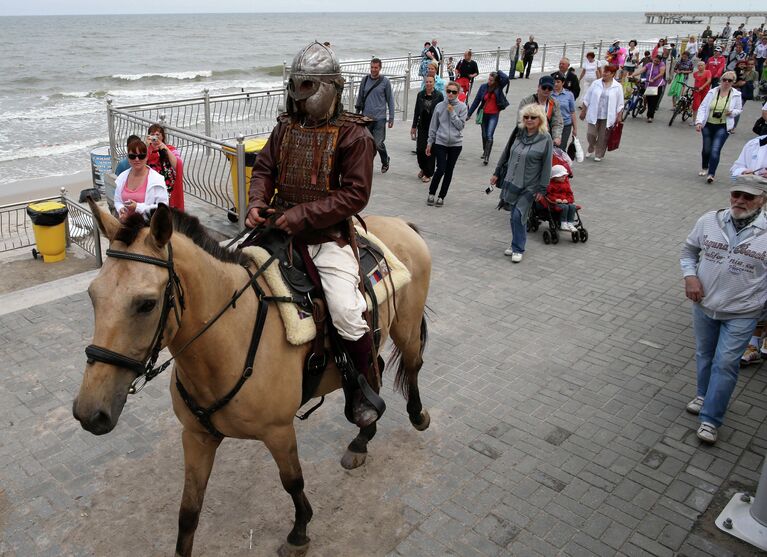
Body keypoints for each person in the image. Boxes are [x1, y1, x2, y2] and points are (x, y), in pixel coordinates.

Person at [246, 42, 381, 428]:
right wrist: (256, 202)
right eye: (296, 85)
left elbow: (355, 194)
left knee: (347, 313)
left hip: (325, 238)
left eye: (308, 86)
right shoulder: (285, 127)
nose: (299, 96)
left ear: (329, 87)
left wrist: (302, 215)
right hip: (279, 227)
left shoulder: (355, 137)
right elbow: (264, 169)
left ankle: (364, 389)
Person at [680, 174, 767, 444]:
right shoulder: (710, 220)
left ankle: (710, 419)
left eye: (748, 196)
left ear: (762, 200)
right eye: (736, 194)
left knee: (726, 363)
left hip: (743, 311)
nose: (740, 200)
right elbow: (688, 251)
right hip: (704, 304)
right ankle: (703, 394)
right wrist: (690, 276)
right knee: (705, 354)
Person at [491, 103, 552, 263]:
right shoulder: (518, 133)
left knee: (519, 215)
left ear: (540, 119)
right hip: (512, 181)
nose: (529, 120)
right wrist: (497, 172)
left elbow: (547, 165)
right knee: (513, 215)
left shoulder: (545, 138)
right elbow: (506, 152)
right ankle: (514, 243)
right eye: (526, 117)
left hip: (530, 186)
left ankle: (518, 248)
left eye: (533, 117)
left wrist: (542, 188)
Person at [695, 71, 743, 183]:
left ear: (733, 82)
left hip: (723, 126)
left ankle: (711, 174)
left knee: (715, 149)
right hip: (708, 124)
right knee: (706, 149)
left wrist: (731, 112)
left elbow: (739, 110)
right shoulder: (712, 92)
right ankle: (704, 166)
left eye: (729, 80)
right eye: (724, 79)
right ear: (720, 80)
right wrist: (699, 122)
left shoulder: (736, 95)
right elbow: (703, 107)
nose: (726, 82)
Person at [425, 82, 467, 207]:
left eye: (454, 92)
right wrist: (429, 142)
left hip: (456, 144)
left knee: (449, 171)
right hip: (441, 142)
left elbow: (461, 126)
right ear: (445, 91)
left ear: (458, 93)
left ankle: (441, 196)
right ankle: (431, 193)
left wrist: (452, 112)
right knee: (441, 169)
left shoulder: (462, 107)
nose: (451, 94)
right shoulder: (439, 106)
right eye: (449, 91)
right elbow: (433, 126)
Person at [114, 138, 168, 223]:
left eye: (141, 156)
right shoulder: (122, 177)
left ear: (147, 157)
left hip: (148, 226)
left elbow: (163, 207)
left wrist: (137, 207)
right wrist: (121, 209)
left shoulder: (157, 179)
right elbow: (117, 201)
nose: (137, 159)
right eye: (132, 156)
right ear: (128, 158)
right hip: (127, 226)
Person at [355, 57, 394, 173]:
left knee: (378, 144)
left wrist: (391, 117)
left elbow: (390, 100)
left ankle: (385, 160)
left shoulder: (385, 82)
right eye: (372, 67)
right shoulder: (365, 80)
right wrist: (357, 114)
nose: (373, 70)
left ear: (380, 68)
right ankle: (367, 166)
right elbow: (360, 97)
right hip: (366, 117)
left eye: (376, 67)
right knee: (367, 144)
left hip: (380, 118)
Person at [579, 64, 623, 162]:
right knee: (591, 134)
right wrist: (583, 111)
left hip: (608, 116)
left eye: (607, 72)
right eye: (604, 71)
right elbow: (587, 98)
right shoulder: (595, 83)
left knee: (603, 137)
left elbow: (620, 103)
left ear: (612, 74)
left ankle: (599, 154)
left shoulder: (617, 86)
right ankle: (591, 146)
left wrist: (619, 116)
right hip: (594, 113)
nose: (604, 74)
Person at [467, 72, 510, 165]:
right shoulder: (483, 87)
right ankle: (485, 150)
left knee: (489, 135)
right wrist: (469, 114)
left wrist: (498, 72)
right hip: (483, 114)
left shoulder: (499, 86)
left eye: (491, 80)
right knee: (484, 135)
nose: (489, 82)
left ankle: (486, 156)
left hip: (494, 115)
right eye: (488, 79)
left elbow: (506, 78)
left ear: (496, 81)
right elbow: (476, 101)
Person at [411, 75, 444, 183]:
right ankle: (423, 168)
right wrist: (414, 126)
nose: (428, 83)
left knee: (430, 151)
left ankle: (428, 173)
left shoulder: (439, 96)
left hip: (434, 127)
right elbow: (416, 111)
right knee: (420, 150)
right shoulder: (420, 95)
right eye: (427, 82)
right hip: (422, 126)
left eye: (430, 82)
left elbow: (443, 112)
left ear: (434, 83)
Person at [146, 123, 184, 211]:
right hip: (151, 186)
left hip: (168, 186)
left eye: (157, 135)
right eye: (152, 135)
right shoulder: (146, 151)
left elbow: (177, 165)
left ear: (162, 137)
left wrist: (165, 148)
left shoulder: (170, 149)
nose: (155, 137)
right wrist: (147, 147)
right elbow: (142, 163)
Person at [517, 75, 563, 146]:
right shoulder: (526, 101)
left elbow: (557, 122)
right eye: (544, 87)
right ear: (538, 87)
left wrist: (557, 137)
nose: (546, 90)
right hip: (528, 138)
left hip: (546, 139)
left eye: (549, 88)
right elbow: (520, 121)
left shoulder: (554, 103)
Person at [632, 53, 665, 123]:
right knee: (649, 100)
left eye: (657, 61)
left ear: (660, 61)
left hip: (657, 85)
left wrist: (654, 79)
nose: (656, 62)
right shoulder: (649, 64)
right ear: (653, 59)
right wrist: (633, 75)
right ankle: (647, 111)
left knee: (654, 101)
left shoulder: (661, 65)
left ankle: (650, 116)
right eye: (655, 60)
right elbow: (641, 70)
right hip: (649, 85)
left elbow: (661, 73)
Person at [546, 164, 578, 232]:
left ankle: (570, 223)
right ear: (554, 177)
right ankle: (563, 223)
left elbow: (570, 194)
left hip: (566, 201)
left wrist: (568, 200)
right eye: (561, 176)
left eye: (564, 176)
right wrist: (555, 199)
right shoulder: (551, 185)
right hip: (555, 203)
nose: (564, 178)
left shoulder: (566, 185)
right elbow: (548, 195)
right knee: (565, 207)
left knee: (572, 206)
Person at [551, 72, 577, 149]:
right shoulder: (549, 93)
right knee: (551, 146)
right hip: (552, 124)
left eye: (558, 82)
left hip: (566, 125)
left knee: (561, 147)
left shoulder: (569, 95)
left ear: (563, 82)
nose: (555, 84)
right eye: (554, 82)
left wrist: (575, 128)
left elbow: (572, 112)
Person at [691, 60, 713, 125]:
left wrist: (702, 87)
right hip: (697, 91)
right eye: (699, 65)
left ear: (704, 66)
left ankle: (703, 119)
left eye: (701, 65)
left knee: (705, 105)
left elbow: (709, 80)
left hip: (705, 91)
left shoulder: (708, 72)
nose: (700, 67)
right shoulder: (695, 73)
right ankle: (694, 120)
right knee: (695, 105)